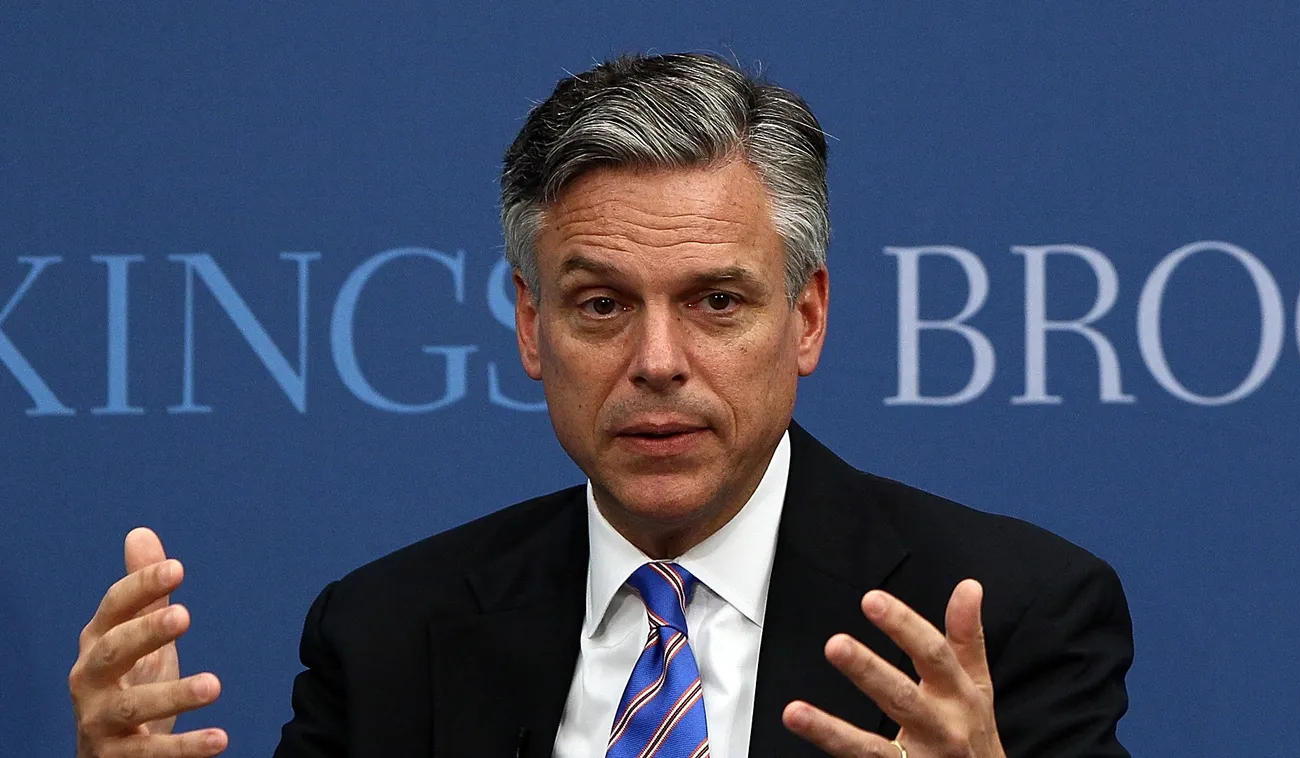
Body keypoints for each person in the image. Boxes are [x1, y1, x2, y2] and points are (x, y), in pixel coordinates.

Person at [68, 52, 1133, 758]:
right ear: (533, 328)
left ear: (806, 319)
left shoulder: (1004, 623)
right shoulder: (385, 635)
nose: (657, 359)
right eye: (601, 304)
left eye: (716, 300)